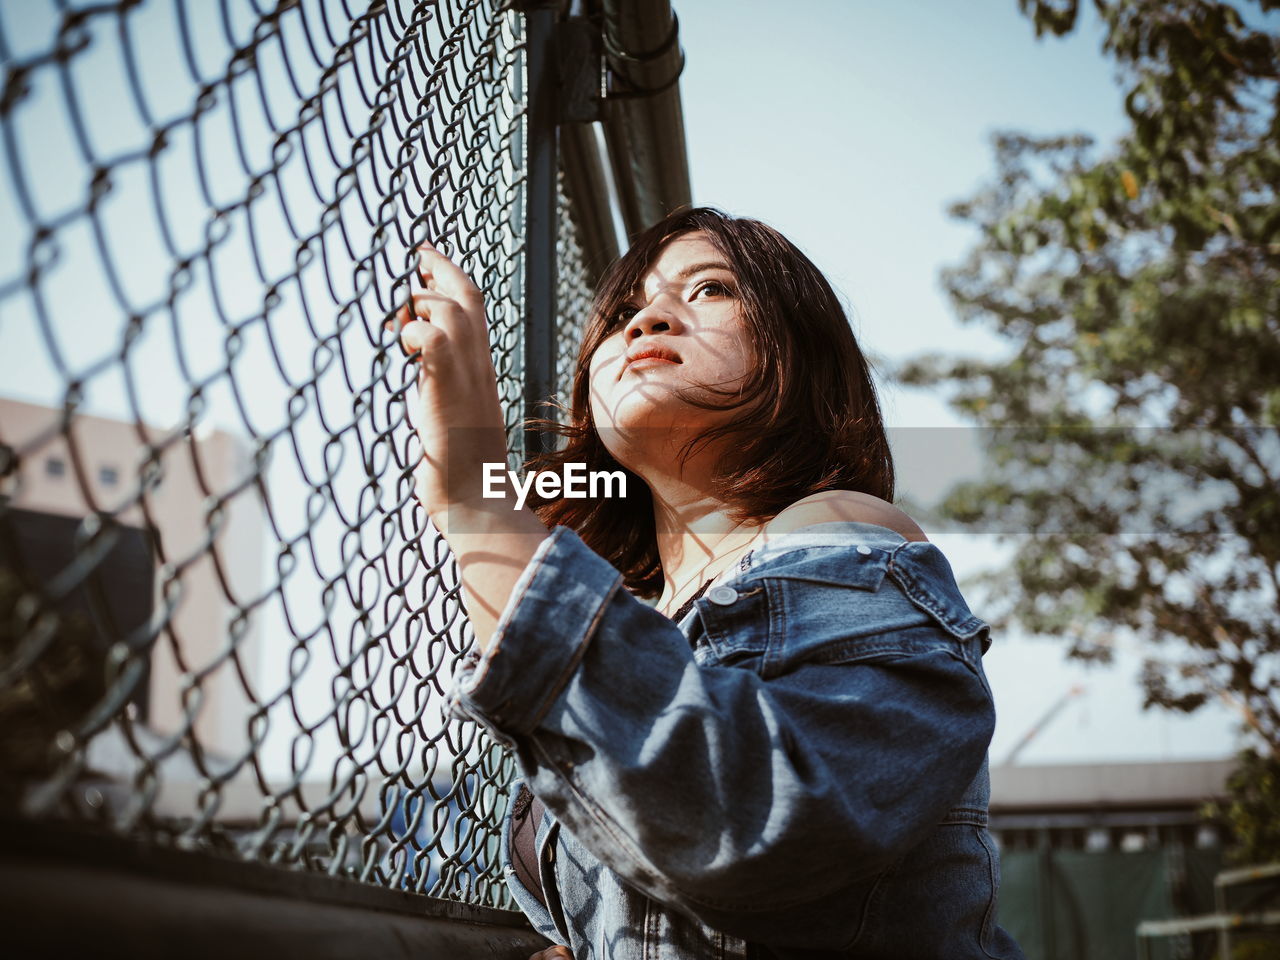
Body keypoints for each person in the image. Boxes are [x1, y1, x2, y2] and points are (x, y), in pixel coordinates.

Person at [394, 207, 1024, 959]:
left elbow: (754, 814)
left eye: (710, 290)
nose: (649, 318)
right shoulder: (635, 622)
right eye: (625, 310)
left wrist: (477, 506)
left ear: (799, 353)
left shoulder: (845, 533)